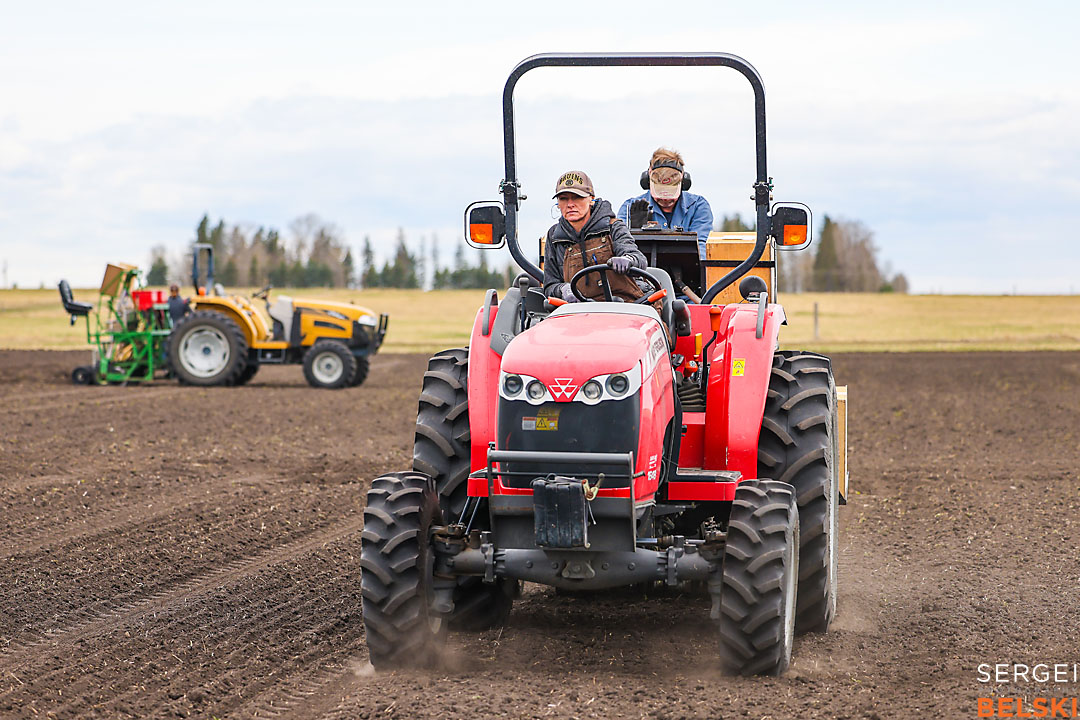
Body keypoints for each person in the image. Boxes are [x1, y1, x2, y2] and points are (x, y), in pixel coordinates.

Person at [543, 170, 649, 304]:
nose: (570, 204)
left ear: (591, 199)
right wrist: (563, 289)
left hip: (624, 306)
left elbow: (639, 259)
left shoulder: (613, 227)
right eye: (563, 199)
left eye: (577, 197)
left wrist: (628, 260)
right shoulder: (554, 237)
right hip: (579, 310)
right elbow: (549, 286)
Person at [618, 147, 714, 259]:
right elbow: (620, 246)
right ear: (648, 179)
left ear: (683, 180)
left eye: (670, 194)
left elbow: (702, 248)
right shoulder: (629, 208)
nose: (665, 200)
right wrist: (636, 233)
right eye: (659, 194)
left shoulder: (698, 207)